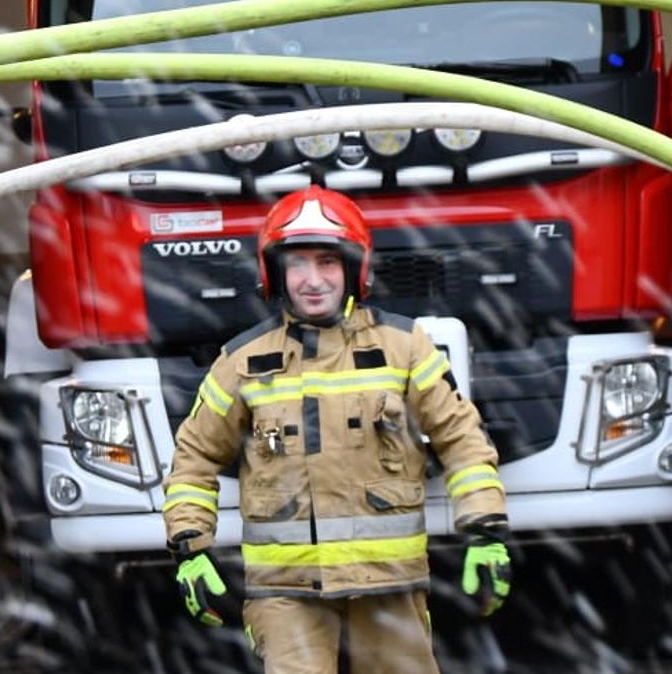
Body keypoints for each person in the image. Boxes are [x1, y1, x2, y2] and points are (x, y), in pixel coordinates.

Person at [160, 186, 512, 673]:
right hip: (285, 590)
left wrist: (485, 531)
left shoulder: (406, 348)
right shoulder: (242, 362)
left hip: (389, 582)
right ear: (275, 272)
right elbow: (194, 458)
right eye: (298, 263)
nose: (312, 280)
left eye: (327, 261)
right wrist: (189, 549)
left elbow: (463, 442)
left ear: (353, 268)